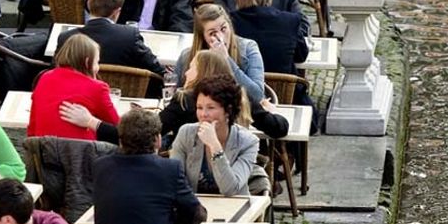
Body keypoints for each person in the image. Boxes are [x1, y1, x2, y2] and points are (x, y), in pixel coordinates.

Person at [62, 48, 288, 144]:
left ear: (203, 73)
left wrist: (91, 122)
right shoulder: (240, 97)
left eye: (191, 68)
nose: (186, 72)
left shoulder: (186, 100)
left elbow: (141, 134)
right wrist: (273, 112)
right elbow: (279, 128)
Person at [93, 108, 205, 224]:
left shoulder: (100, 167)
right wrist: (168, 214)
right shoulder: (169, 169)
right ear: (158, 140)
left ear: (120, 141)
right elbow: (198, 216)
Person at [169, 75, 259, 196]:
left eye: (211, 108)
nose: (203, 114)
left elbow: (230, 190)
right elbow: (174, 180)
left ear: (228, 111)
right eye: (199, 108)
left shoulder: (247, 142)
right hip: (193, 209)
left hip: (232, 209)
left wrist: (214, 146)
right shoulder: (186, 133)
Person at [57, 0, 163, 76]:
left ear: (89, 4)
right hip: (124, 93)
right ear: (117, 12)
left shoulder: (65, 37)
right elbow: (156, 69)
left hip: (76, 95)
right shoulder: (129, 36)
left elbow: (56, 72)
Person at [28, 33, 118, 140]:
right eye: (97, 62)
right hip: (84, 152)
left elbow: (32, 128)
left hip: (44, 149)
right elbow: (119, 127)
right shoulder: (97, 88)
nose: (98, 67)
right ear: (87, 62)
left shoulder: (44, 77)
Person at [174, 3, 264, 102]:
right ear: (202, 38)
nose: (221, 37)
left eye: (223, 29)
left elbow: (257, 95)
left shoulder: (248, 48)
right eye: (212, 33)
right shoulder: (186, 56)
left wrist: (226, 60)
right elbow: (175, 96)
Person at [229, 0, 308, 75]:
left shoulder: (228, 23)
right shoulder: (289, 20)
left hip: (242, 87)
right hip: (284, 87)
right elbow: (301, 56)